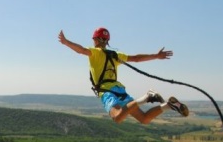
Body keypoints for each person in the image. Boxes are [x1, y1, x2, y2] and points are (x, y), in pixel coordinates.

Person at [58, 27, 188, 124]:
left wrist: (66, 42)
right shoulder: (116, 55)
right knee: (144, 119)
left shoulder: (96, 52)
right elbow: (136, 58)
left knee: (117, 117)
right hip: (119, 89)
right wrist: (156, 56)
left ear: (96, 39)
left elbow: (81, 50)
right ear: (107, 40)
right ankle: (169, 105)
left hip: (107, 91)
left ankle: (147, 97)